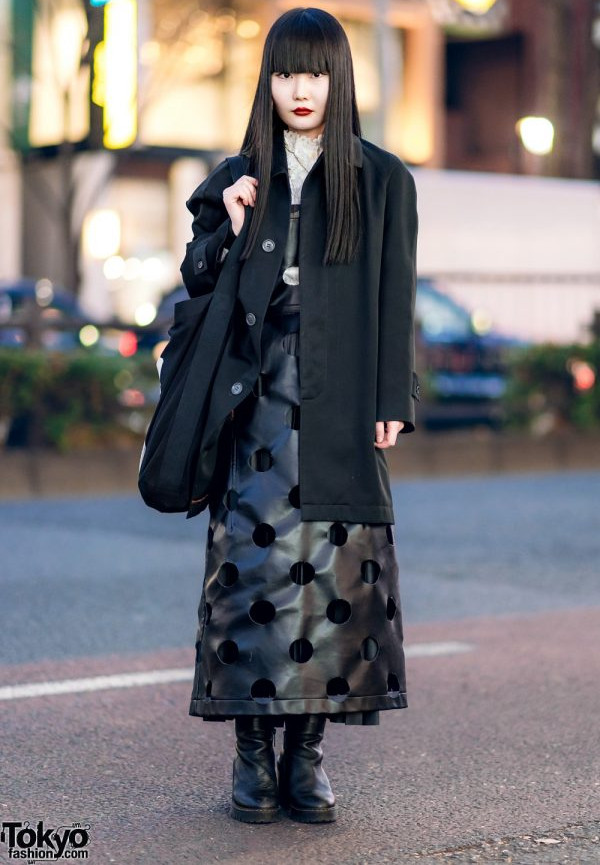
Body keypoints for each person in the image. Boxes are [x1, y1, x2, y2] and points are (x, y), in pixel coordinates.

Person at [180, 7, 420, 825]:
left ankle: (306, 756)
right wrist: (228, 218)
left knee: (332, 580)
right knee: (251, 579)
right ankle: (252, 753)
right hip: (253, 409)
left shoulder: (381, 178)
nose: (300, 88)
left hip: (340, 403)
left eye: (314, 72)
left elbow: (395, 296)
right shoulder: (240, 173)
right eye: (285, 73)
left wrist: (392, 400)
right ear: (269, 82)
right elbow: (196, 279)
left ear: (338, 78)